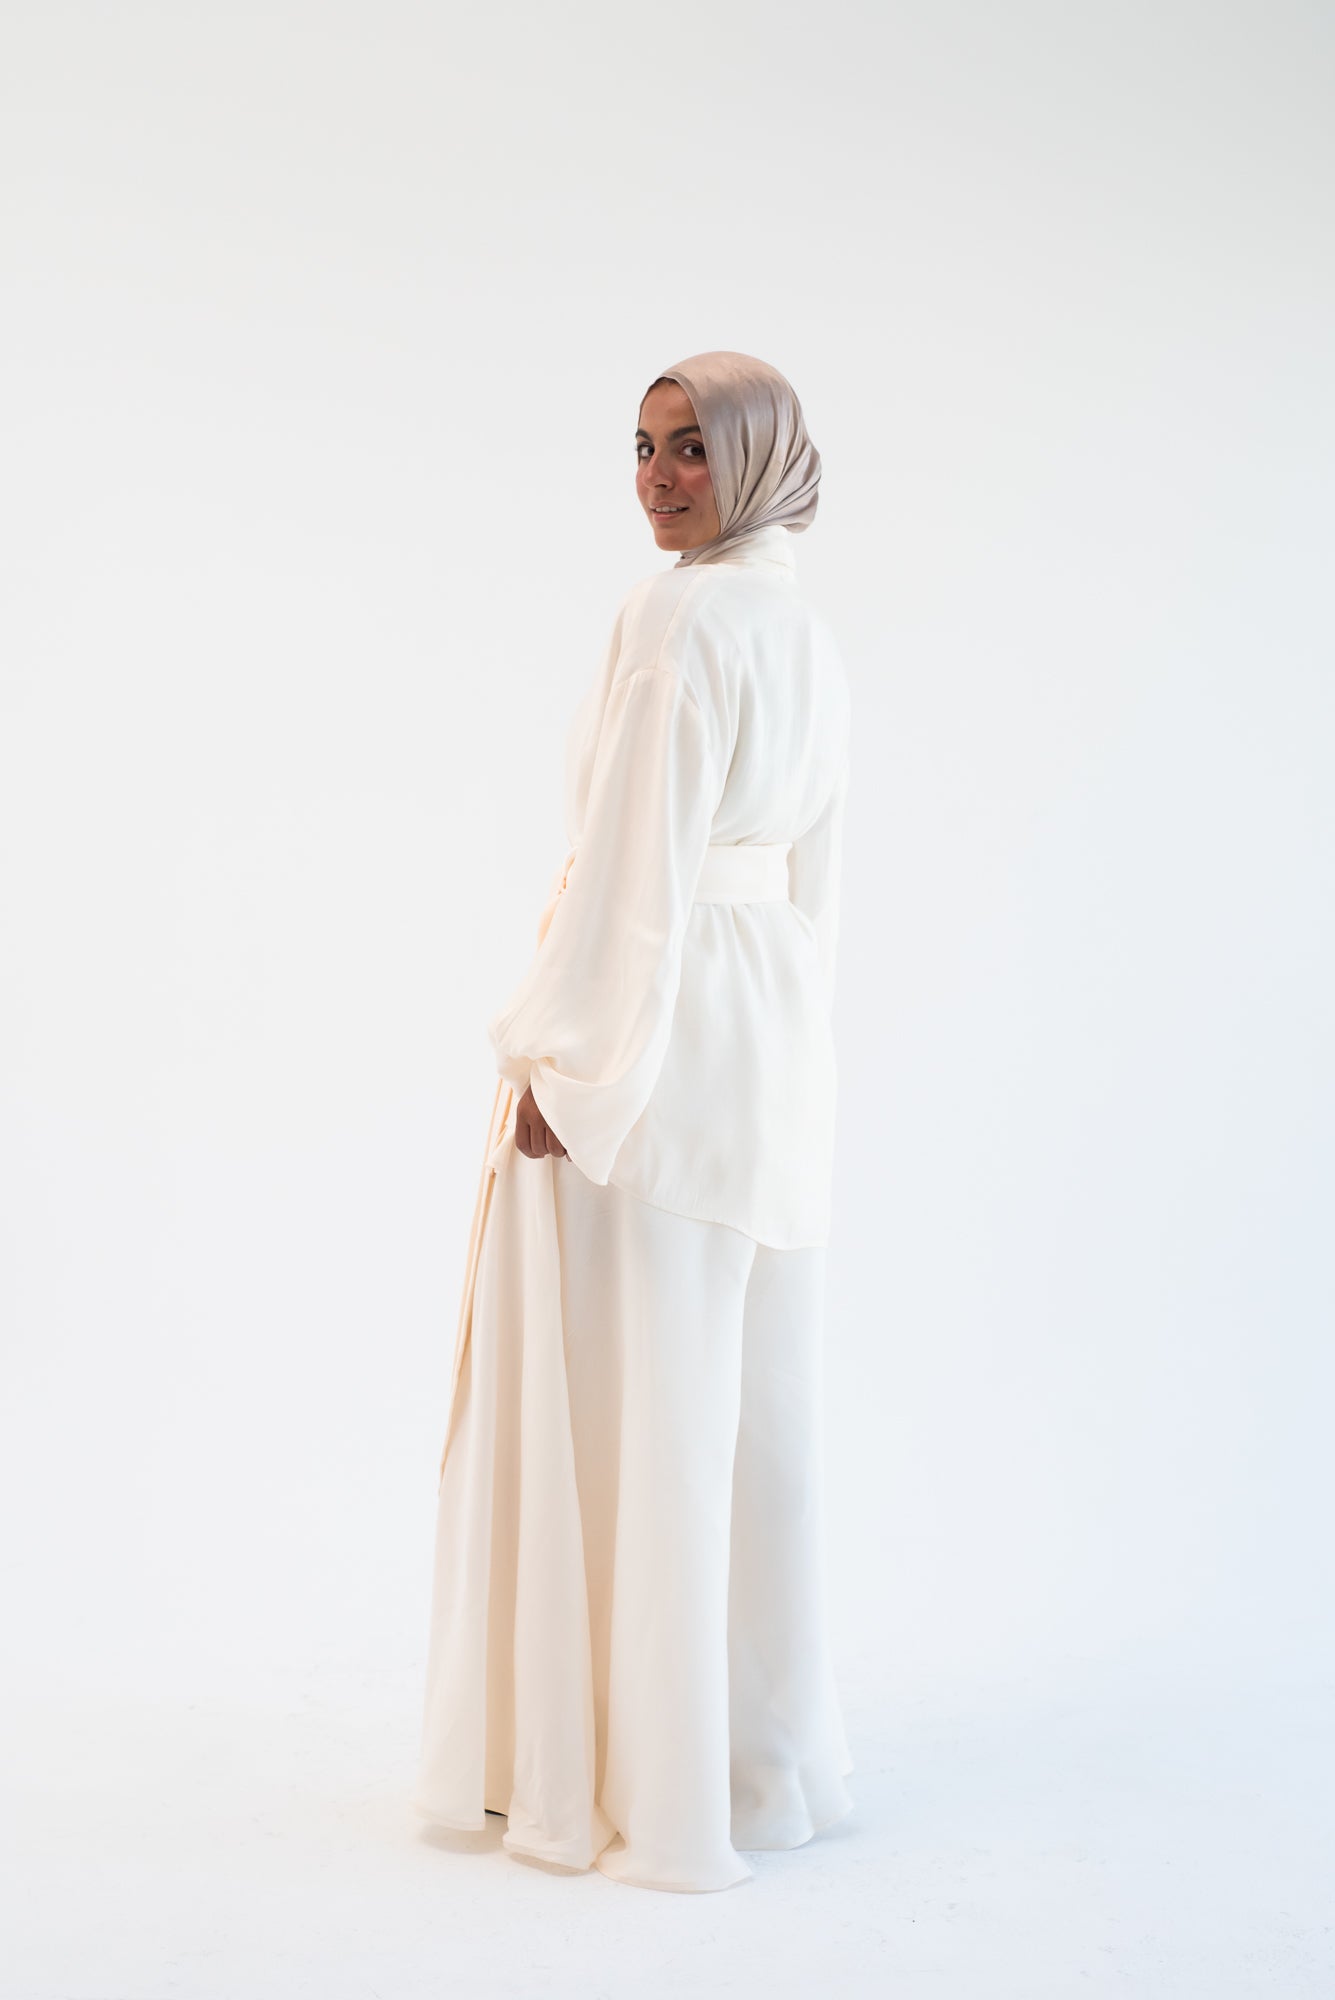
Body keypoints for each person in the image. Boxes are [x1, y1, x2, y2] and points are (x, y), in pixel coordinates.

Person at [413, 350, 854, 1894]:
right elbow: (816, 878)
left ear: (757, 462)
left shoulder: (677, 620)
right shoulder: (806, 631)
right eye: (647, 448)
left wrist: (566, 1059)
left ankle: (644, 1781)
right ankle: (750, 1769)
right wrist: (801, 1047)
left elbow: (638, 867)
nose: (661, 479)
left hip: (658, 1032)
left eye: (693, 450)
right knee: (740, 1404)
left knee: (646, 1393)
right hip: (766, 1028)